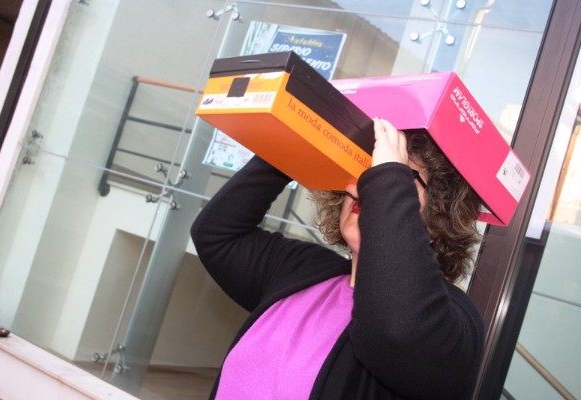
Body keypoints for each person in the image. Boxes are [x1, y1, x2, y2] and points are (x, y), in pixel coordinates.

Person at [190, 118, 485, 399]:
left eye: (391, 176)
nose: (359, 187)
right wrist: (293, 143)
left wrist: (387, 180)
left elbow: (397, 331)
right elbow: (217, 235)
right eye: (362, 172)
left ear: (438, 218)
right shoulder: (303, 270)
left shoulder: (456, 320)